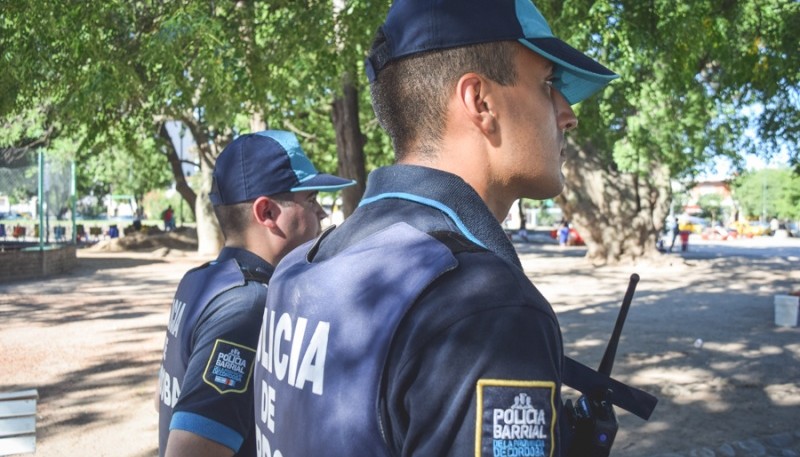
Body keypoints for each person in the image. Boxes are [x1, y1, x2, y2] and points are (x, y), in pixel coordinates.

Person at [253, 0, 619, 456]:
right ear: (480, 102)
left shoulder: (298, 268)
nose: (567, 113)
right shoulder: (487, 309)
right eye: (547, 83)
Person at [156, 130, 354, 457]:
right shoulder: (249, 304)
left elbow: (164, 397)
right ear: (266, 213)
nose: (321, 213)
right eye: (311, 199)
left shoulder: (200, 280)